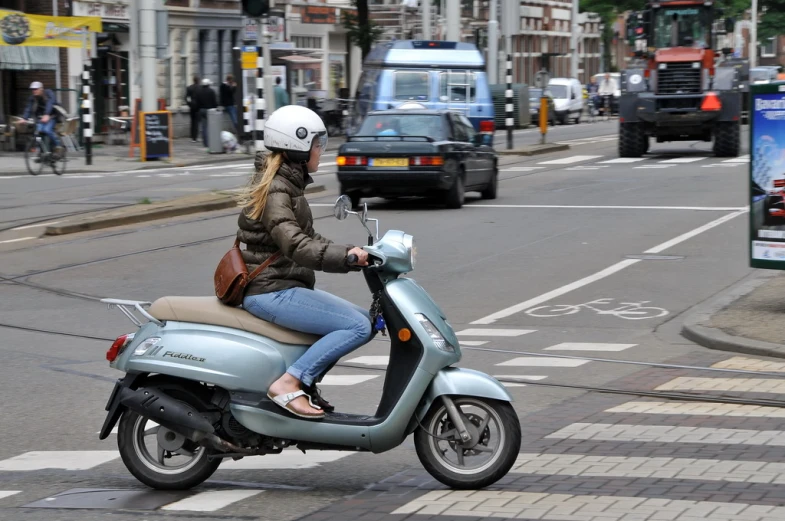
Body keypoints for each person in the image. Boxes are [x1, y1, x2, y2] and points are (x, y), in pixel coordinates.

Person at [237, 104, 371, 419]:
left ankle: (305, 383)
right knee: (356, 326)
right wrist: (347, 258)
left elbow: (308, 236)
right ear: (297, 147)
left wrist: (353, 250)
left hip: (282, 284)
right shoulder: (276, 193)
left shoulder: (287, 186)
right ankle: (289, 383)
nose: (321, 151)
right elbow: (297, 246)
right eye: (317, 144)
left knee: (365, 318)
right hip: (269, 289)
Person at [23, 81, 63, 156]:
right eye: (32, 89)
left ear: (41, 89)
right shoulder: (32, 98)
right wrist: (24, 118)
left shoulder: (48, 93)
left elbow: (50, 102)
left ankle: (58, 146)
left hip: (52, 116)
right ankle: (42, 152)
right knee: (38, 132)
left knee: (47, 130)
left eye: (36, 89)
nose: (34, 91)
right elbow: (28, 108)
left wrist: (47, 114)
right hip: (41, 117)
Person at [196, 78, 218, 148]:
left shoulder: (199, 92)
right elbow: (214, 102)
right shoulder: (211, 91)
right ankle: (212, 141)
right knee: (211, 127)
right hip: (210, 110)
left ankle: (205, 143)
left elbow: (197, 102)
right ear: (208, 84)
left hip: (202, 110)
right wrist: (215, 107)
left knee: (204, 127)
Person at [185, 75, 200, 143]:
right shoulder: (200, 88)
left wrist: (189, 104)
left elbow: (186, 98)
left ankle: (192, 137)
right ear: (198, 80)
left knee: (192, 121)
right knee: (196, 122)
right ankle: (195, 137)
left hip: (192, 107)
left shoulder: (189, 88)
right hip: (198, 107)